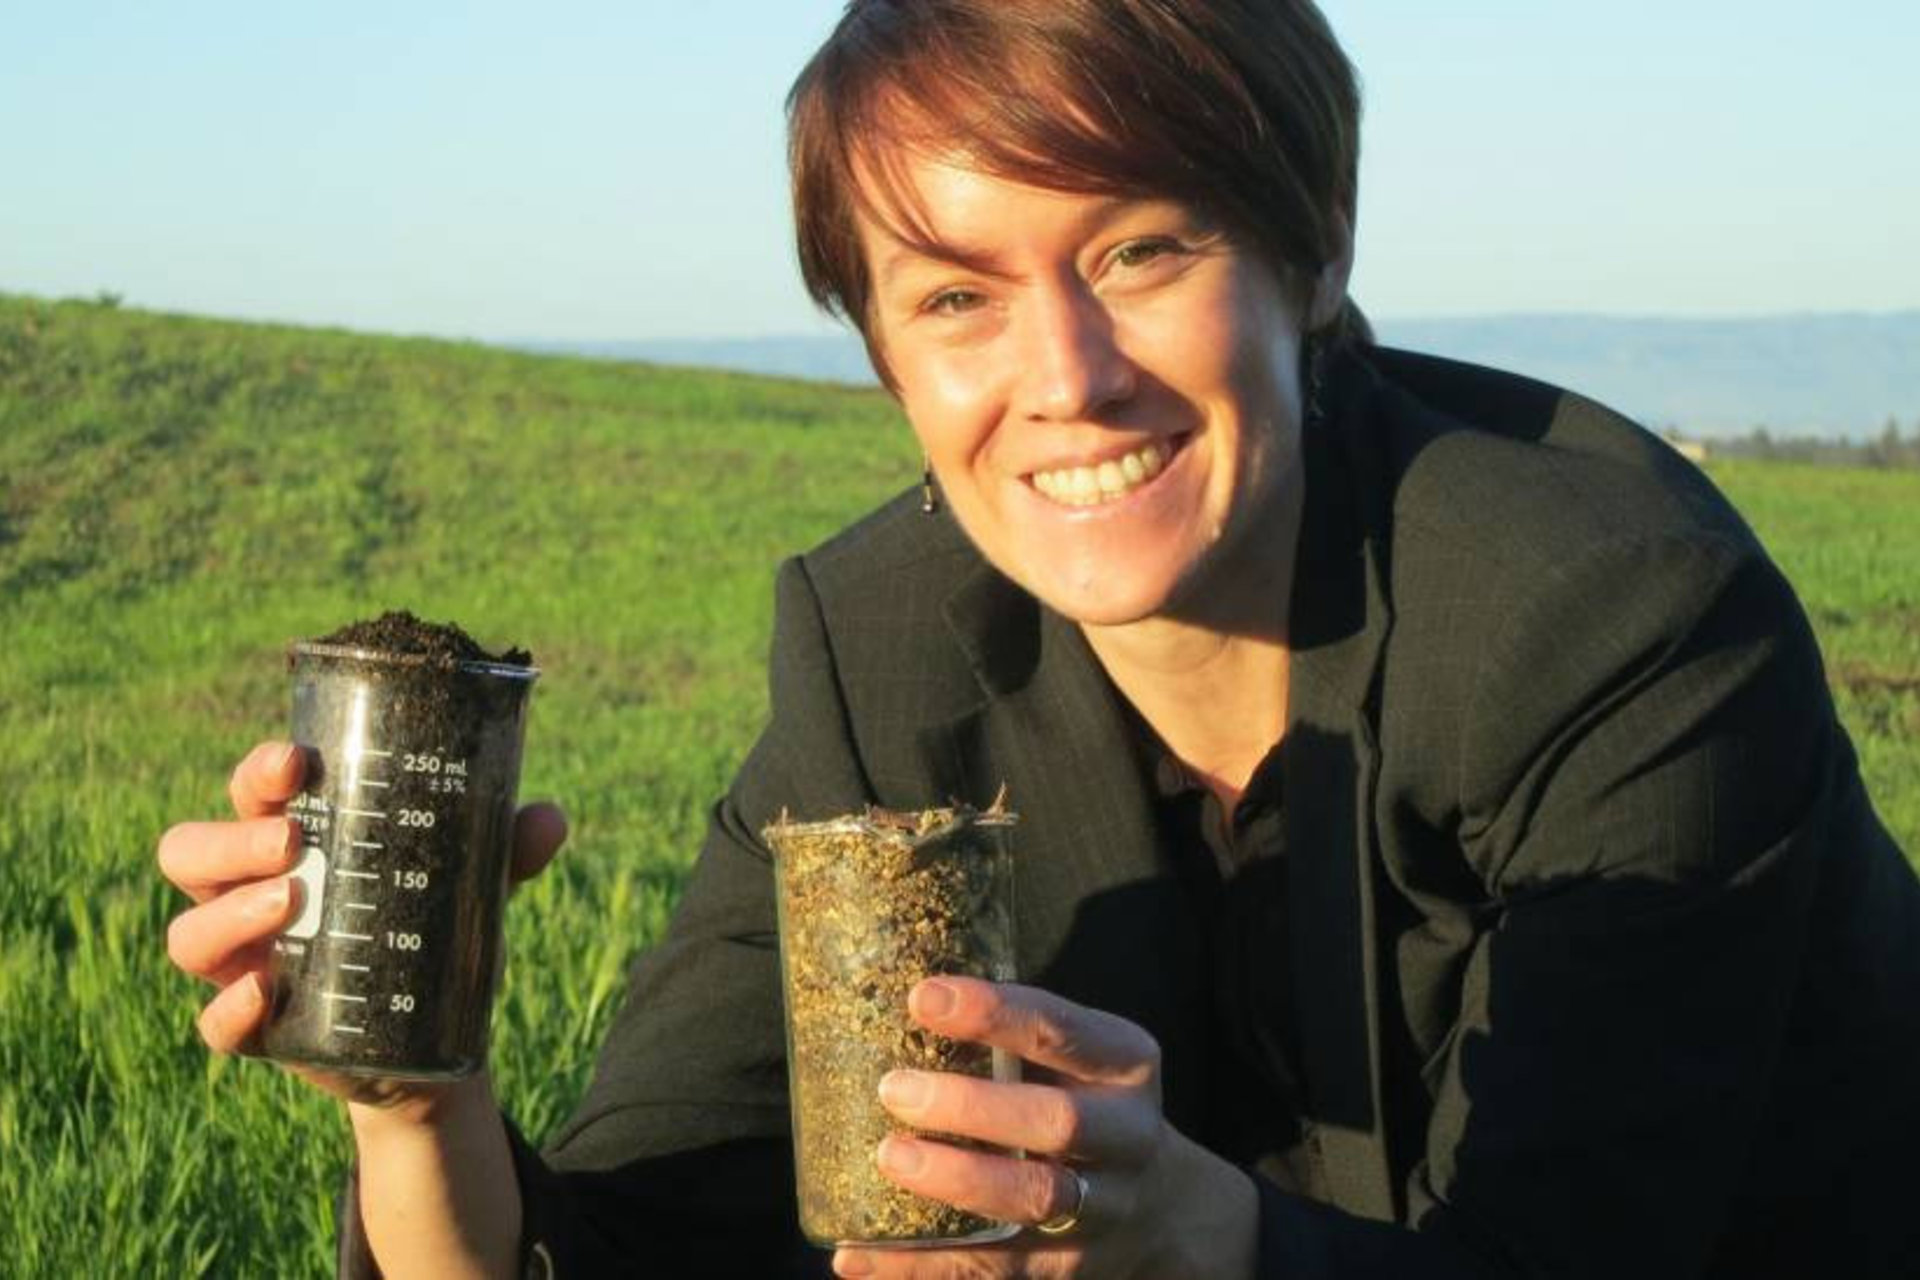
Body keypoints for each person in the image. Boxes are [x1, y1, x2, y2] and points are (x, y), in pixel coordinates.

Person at [159, 2, 1920, 1276]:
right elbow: (643, 1230)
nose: (1066, 378)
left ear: (1311, 256)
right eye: (954, 297)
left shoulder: (1608, 614)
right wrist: (418, 1103)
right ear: (882, 357)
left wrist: (1203, 1238)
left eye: (1146, 249)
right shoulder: (879, 656)